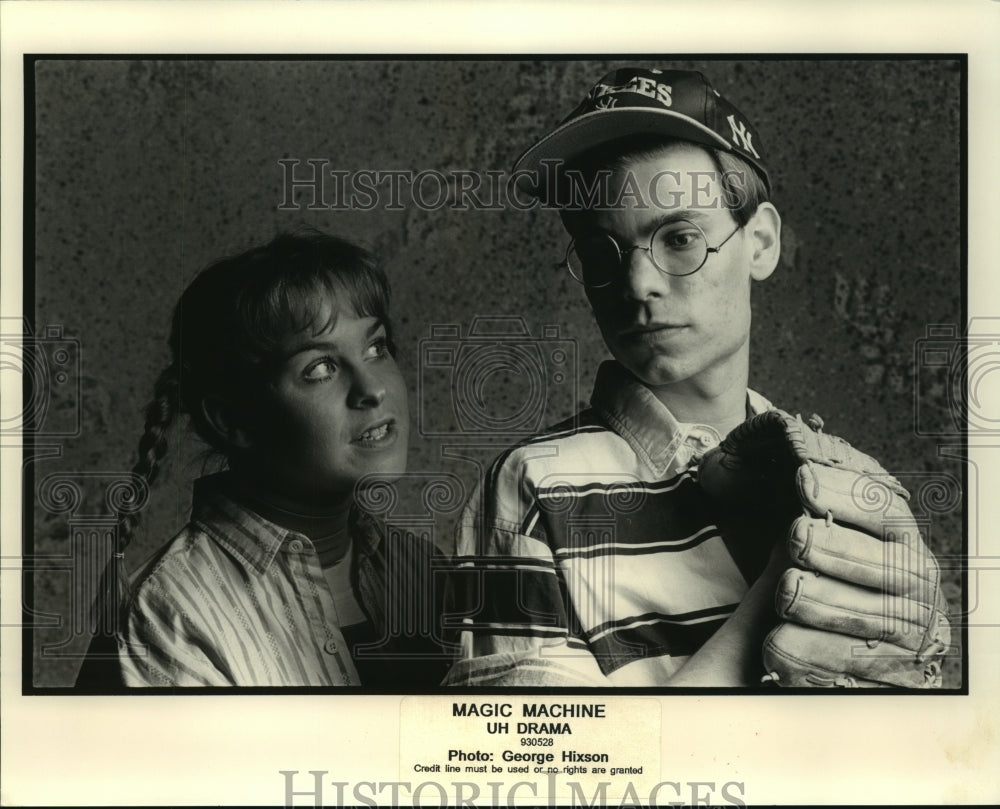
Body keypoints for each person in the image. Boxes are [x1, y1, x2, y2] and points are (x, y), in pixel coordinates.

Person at [444, 67, 949, 687]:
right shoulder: (535, 489)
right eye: (603, 252)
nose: (637, 283)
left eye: (679, 237)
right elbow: (555, 777)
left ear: (760, 243)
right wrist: (777, 592)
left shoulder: (850, 491)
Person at [77, 229, 448, 687]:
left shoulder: (422, 569)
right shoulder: (169, 617)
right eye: (320, 369)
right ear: (233, 420)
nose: (373, 388)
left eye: (376, 347)